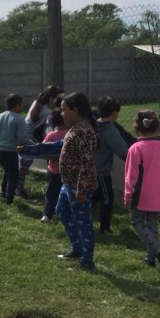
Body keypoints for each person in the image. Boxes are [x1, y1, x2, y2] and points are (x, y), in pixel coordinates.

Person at [124, 110, 160, 268]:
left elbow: (131, 176)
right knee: (151, 224)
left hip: (141, 194)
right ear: (156, 127)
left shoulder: (136, 149)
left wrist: (128, 196)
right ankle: (151, 258)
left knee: (136, 222)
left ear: (136, 128)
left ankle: (159, 251)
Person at [55, 92, 99, 270]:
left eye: (64, 110)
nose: (61, 113)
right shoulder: (75, 128)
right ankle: (77, 248)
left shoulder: (84, 131)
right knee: (62, 211)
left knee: (83, 221)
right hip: (68, 184)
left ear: (75, 110)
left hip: (79, 186)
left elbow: (86, 162)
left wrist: (81, 189)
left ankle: (87, 260)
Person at [92, 97, 137, 235]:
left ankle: (76, 216)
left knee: (95, 195)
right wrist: (136, 158)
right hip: (101, 171)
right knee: (107, 198)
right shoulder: (109, 128)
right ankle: (104, 228)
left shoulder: (94, 124)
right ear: (113, 113)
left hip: (91, 168)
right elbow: (122, 151)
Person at [16, 84, 63, 200]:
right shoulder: (47, 112)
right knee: (27, 162)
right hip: (29, 136)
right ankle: (18, 189)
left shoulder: (38, 102)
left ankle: (17, 188)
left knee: (24, 163)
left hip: (24, 134)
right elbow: (45, 130)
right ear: (52, 98)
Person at [0, 93, 31, 205]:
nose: (22, 107)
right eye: (21, 105)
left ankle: (3, 193)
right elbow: (23, 138)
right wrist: (35, 146)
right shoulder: (19, 119)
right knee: (14, 175)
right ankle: (9, 200)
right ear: (16, 105)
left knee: (7, 170)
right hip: (9, 151)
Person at [40, 108, 68, 223]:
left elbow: (42, 149)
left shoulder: (51, 135)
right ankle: (63, 217)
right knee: (65, 195)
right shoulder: (69, 134)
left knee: (50, 193)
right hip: (66, 171)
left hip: (52, 170)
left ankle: (46, 215)